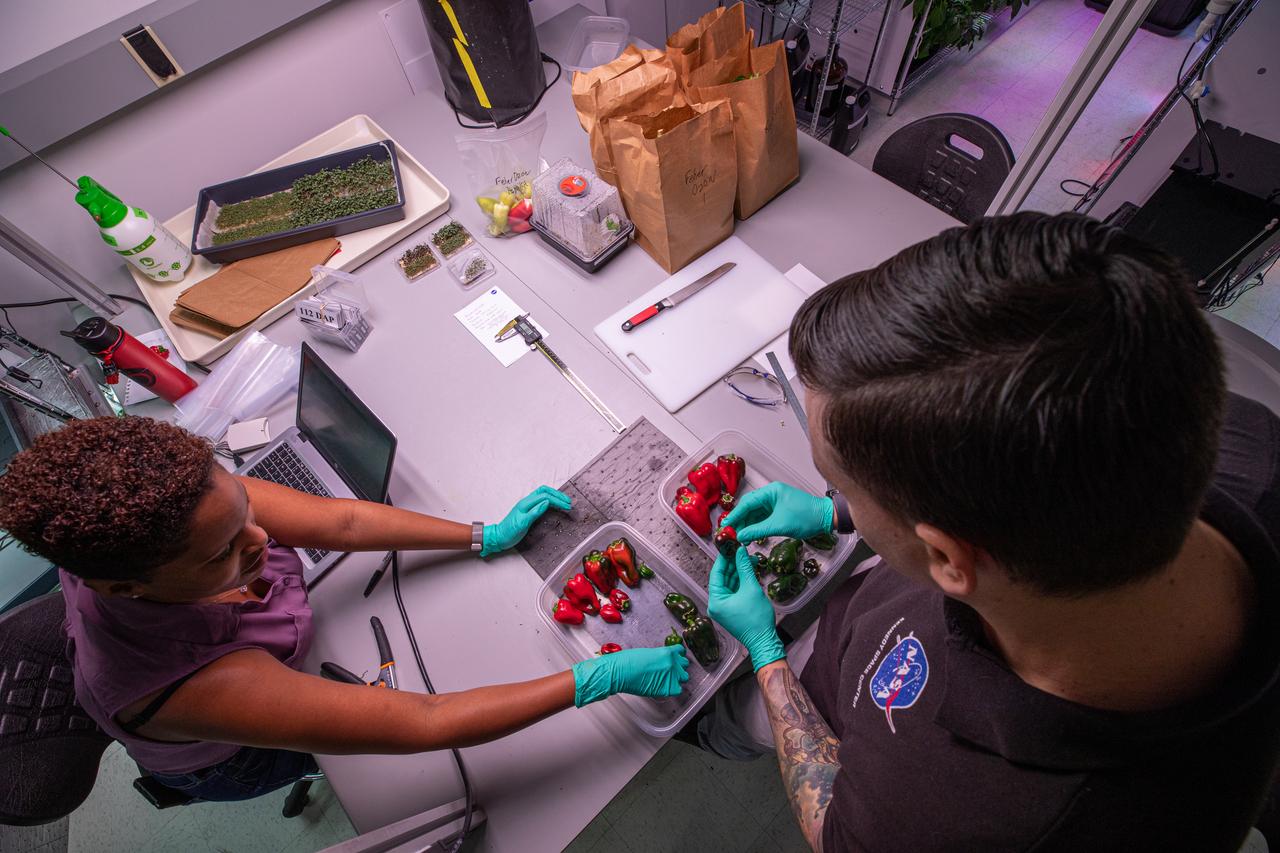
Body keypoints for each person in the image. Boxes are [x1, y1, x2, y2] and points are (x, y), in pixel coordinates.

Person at [700, 212, 1280, 851]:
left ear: (949, 558)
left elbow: (833, 826)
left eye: (840, 484)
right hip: (878, 609)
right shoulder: (1229, 437)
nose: (840, 498)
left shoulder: (966, 817)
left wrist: (767, 657)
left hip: (827, 695)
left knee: (732, 720)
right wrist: (840, 513)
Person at [0, 416, 688, 802]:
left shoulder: (184, 504)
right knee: (355, 766)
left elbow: (345, 526)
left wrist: (483, 534)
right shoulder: (188, 685)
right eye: (222, 555)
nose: (264, 540)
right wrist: (599, 677)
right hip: (227, 752)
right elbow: (428, 717)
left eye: (244, 512)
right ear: (128, 588)